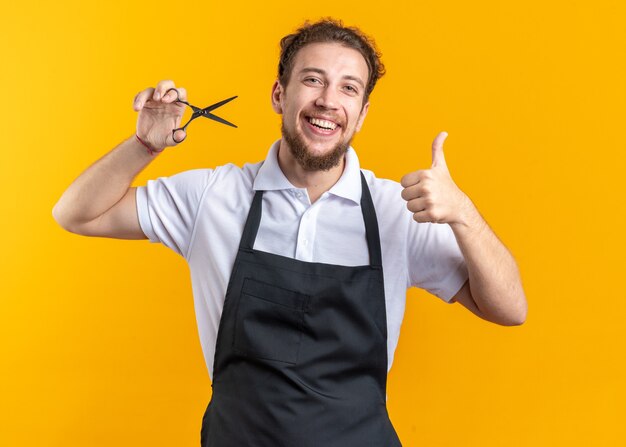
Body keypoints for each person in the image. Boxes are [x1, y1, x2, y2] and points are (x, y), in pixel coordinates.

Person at [53, 18, 526, 447]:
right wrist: (143, 145)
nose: (327, 100)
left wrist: (463, 213)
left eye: (348, 88)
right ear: (279, 94)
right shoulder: (212, 197)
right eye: (313, 79)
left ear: (361, 114)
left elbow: (510, 308)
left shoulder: (397, 210)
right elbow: (76, 213)